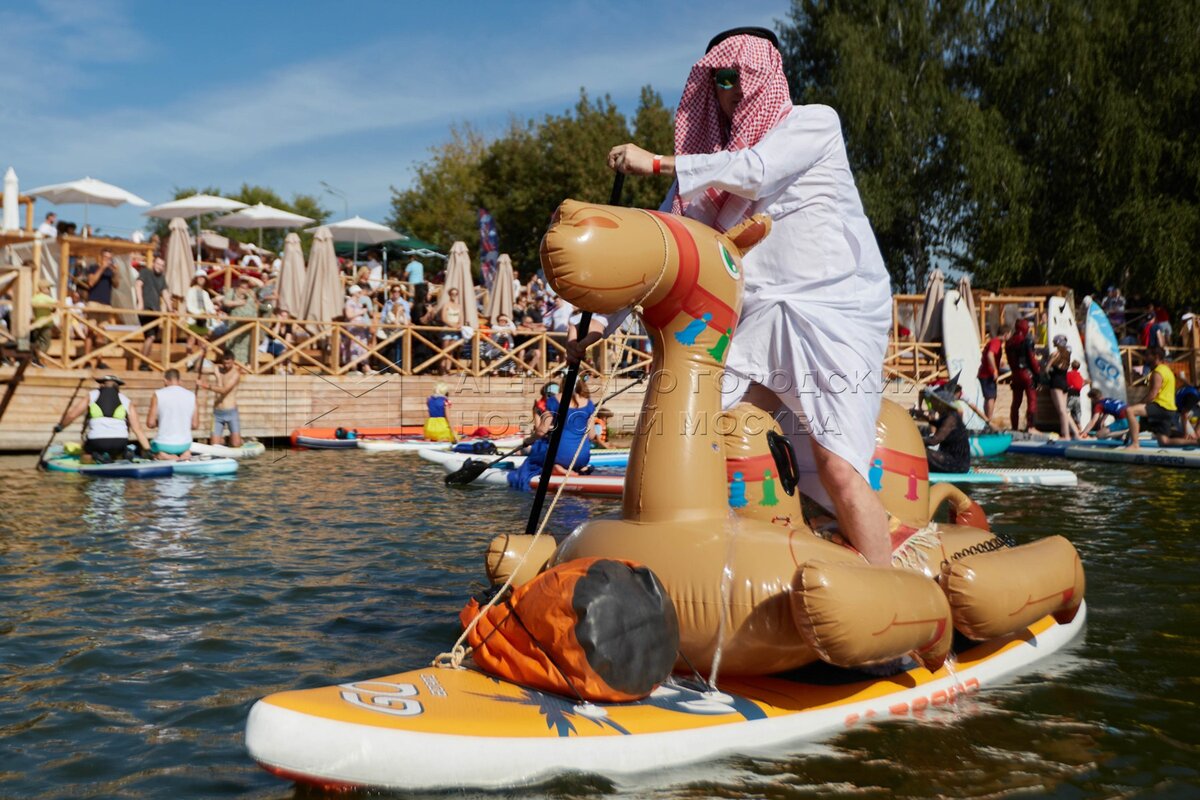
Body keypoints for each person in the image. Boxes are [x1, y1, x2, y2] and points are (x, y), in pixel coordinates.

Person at [591, 27, 892, 564]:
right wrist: (595, 322)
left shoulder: (814, 123)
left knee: (839, 469)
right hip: (756, 320)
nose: (732, 89)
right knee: (703, 436)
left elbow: (756, 171)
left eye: (739, 76)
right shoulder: (705, 173)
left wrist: (656, 162)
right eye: (720, 80)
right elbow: (659, 247)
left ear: (768, 75)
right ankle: (706, 571)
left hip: (831, 315)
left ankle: (885, 592)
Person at [58, 375, 151, 463]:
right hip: (120, 441)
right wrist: (147, 450)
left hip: (97, 441)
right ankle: (123, 454)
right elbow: (137, 429)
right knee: (116, 453)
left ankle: (94, 457)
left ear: (102, 385)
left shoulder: (92, 395)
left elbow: (72, 415)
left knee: (84, 455)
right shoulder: (126, 400)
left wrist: (60, 426)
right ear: (117, 387)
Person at [1127, 347, 1195, 446]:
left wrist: (1137, 404)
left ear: (1156, 356)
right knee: (1164, 441)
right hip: (1170, 409)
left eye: (1148, 355)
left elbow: (1152, 395)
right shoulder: (1167, 370)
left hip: (1161, 407)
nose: (1145, 358)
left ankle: (1134, 444)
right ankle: (1196, 442)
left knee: (1130, 411)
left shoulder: (1158, 372)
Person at [146, 369, 198, 460]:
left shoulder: (158, 394)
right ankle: (185, 453)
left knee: (150, 448)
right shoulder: (192, 395)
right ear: (179, 380)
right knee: (185, 447)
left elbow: (150, 423)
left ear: (165, 380)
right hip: (185, 444)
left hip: (163, 444)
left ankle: (163, 455)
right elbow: (195, 425)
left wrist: (160, 422)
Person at [545, 378, 596, 472]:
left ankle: (558, 468)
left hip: (561, 455)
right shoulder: (589, 403)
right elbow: (591, 435)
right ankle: (581, 469)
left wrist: (528, 441)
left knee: (540, 452)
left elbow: (541, 431)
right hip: (582, 457)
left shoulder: (553, 400)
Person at [198, 350, 243, 447]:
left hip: (231, 412)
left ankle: (236, 440)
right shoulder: (218, 368)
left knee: (236, 444)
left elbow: (224, 390)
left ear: (233, 361)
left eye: (229, 363)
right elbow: (199, 369)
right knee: (214, 444)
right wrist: (202, 356)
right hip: (217, 413)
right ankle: (223, 442)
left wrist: (207, 385)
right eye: (224, 363)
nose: (226, 365)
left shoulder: (235, 374)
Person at [84, 249, 120, 367]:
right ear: (100, 257)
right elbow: (91, 282)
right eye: (106, 257)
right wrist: (102, 268)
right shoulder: (93, 267)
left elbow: (116, 284)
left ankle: (99, 360)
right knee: (90, 332)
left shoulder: (110, 271)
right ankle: (87, 360)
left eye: (110, 258)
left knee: (101, 334)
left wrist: (116, 273)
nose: (108, 260)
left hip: (106, 304)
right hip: (93, 302)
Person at [921, 387, 970, 474]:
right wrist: (921, 415)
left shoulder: (951, 418)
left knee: (922, 452)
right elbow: (937, 423)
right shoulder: (948, 416)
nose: (933, 404)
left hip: (958, 464)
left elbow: (934, 441)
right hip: (949, 458)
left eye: (936, 402)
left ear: (942, 404)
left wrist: (916, 440)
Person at [1004, 318, 1040, 432]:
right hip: (1027, 374)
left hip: (1015, 374)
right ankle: (1030, 426)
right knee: (1032, 400)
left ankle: (1014, 427)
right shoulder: (1026, 341)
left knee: (1016, 402)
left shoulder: (1009, 343)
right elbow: (1032, 360)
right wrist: (1038, 374)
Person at [135, 256, 171, 368]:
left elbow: (165, 293)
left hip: (156, 311)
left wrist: (170, 308)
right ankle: (143, 363)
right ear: (154, 263)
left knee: (151, 337)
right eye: (158, 264)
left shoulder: (162, 278)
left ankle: (145, 363)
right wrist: (140, 302)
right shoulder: (146, 272)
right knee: (150, 337)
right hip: (146, 309)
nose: (159, 267)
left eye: (162, 265)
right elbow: (138, 285)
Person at [1046, 335, 1081, 439]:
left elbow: (1047, 369)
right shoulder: (1067, 354)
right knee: (1065, 411)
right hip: (1064, 383)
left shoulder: (1055, 354)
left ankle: (1066, 435)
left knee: (1061, 411)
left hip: (1056, 383)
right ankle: (1075, 433)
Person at [978, 325, 1008, 423]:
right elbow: (990, 354)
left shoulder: (994, 341)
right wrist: (995, 370)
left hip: (985, 373)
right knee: (990, 397)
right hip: (988, 374)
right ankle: (988, 421)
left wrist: (998, 363)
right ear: (1006, 334)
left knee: (990, 398)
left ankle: (986, 420)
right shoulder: (996, 342)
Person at [29, 280, 56, 366]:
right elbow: (58, 305)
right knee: (46, 343)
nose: (49, 290)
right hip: (46, 324)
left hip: (36, 323)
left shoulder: (34, 298)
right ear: (43, 289)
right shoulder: (47, 299)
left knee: (37, 342)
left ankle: (35, 359)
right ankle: (36, 358)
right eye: (48, 288)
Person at [1066, 359, 1086, 430]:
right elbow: (1081, 384)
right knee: (1077, 413)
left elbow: (1066, 383)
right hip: (1077, 396)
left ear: (1071, 366)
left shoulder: (1068, 374)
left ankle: (1068, 428)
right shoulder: (1079, 375)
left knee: (1067, 412)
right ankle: (1080, 429)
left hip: (1070, 395)